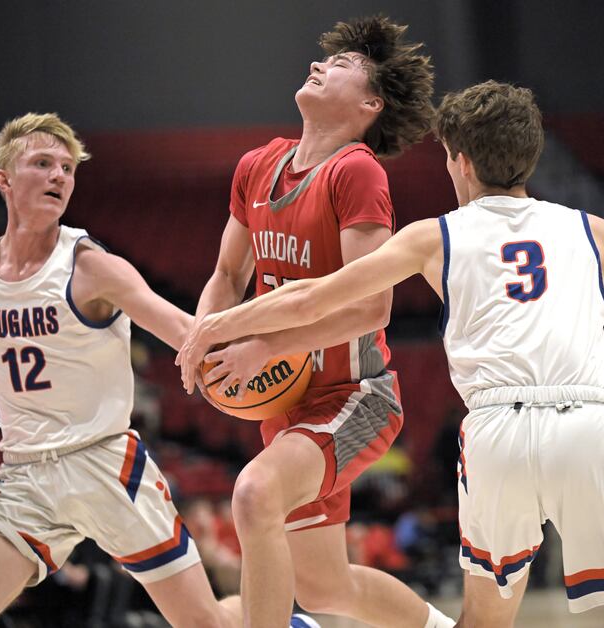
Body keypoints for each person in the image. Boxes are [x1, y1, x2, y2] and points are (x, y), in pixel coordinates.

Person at [178, 81, 604, 627]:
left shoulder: (434, 236)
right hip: (588, 424)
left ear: (462, 162)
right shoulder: (595, 231)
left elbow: (311, 297)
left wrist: (216, 326)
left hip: (498, 433)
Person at [0, 113, 316, 628]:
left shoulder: (90, 265)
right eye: (43, 163)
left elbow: (182, 329)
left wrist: (260, 349)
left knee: (202, 624)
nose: (59, 177)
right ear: (3, 180)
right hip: (26, 476)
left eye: (68, 168)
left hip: (106, 466)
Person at [179, 15, 454, 628]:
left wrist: (261, 346)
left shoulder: (356, 172)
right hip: (286, 401)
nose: (318, 63)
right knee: (326, 590)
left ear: (369, 102)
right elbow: (227, 276)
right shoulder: (257, 165)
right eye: (324, 59)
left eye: (341, 65)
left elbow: (370, 306)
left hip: (354, 395)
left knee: (254, 496)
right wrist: (206, 338)